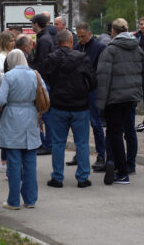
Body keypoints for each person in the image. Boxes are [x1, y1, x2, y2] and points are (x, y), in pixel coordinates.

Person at [96, 18, 144, 185]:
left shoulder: (110, 50)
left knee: (115, 134)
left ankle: (120, 171)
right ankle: (130, 165)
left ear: (113, 31)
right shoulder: (138, 49)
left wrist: (101, 103)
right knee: (130, 131)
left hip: (114, 98)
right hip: (131, 97)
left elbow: (103, 78)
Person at [45, 29, 97, 189]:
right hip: (80, 106)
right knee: (81, 143)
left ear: (57, 42)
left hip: (58, 106)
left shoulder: (51, 59)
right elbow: (93, 81)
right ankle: (82, 178)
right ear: (71, 41)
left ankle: (57, 177)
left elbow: (46, 79)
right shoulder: (82, 58)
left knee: (58, 142)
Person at [0, 49, 43, 210]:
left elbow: (0, 100)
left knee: (14, 162)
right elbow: (44, 95)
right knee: (30, 161)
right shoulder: (35, 74)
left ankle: (13, 201)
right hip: (31, 117)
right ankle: (30, 199)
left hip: (13, 119)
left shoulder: (9, 76)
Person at [72, 22, 107, 172]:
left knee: (96, 123)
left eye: (83, 36)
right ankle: (80, 153)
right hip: (79, 90)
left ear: (90, 34)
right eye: (79, 37)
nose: (81, 39)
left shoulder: (99, 48)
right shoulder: (77, 48)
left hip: (92, 90)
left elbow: (101, 70)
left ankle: (101, 154)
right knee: (78, 124)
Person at [30, 13, 55, 156]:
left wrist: (37, 75)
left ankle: (48, 144)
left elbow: (43, 62)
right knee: (44, 114)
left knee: (45, 113)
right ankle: (46, 143)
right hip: (44, 79)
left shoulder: (44, 40)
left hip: (43, 80)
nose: (31, 26)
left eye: (32, 23)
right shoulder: (44, 38)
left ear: (37, 24)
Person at [0, 31, 16, 170]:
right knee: (6, 130)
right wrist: (12, 76)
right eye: (10, 41)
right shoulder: (1, 57)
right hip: (4, 98)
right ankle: (4, 160)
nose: (12, 43)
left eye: (13, 40)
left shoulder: (11, 55)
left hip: (11, 97)